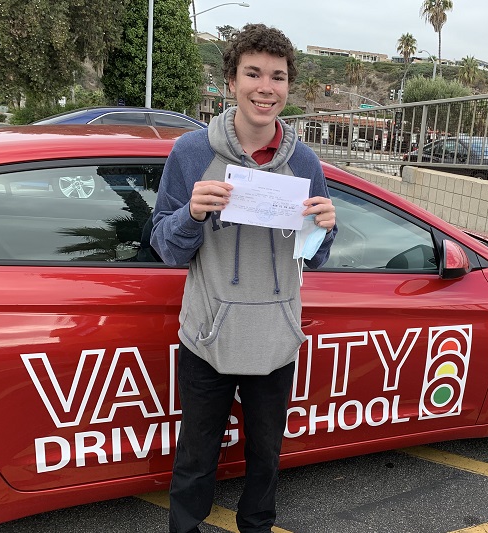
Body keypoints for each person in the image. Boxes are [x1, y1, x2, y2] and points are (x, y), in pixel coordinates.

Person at [150, 23, 337, 533]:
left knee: (266, 456)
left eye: (277, 77)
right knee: (195, 456)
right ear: (231, 80)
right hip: (208, 336)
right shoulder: (191, 153)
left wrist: (325, 227)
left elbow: (315, 259)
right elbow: (166, 248)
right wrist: (190, 213)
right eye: (253, 73)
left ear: (288, 86)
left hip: (275, 337)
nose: (265, 87)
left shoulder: (304, 162)